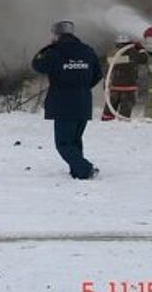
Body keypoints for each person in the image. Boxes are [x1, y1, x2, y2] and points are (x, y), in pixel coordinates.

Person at [32, 20, 102, 179]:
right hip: (83, 103)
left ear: (56, 35)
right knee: (75, 140)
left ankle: (84, 169)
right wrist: (82, 87)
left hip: (63, 104)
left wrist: (47, 47)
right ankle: (77, 171)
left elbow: (37, 65)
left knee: (63, 143)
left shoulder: (54, 52)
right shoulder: (87, 51)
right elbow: (98, 74)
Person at [101, 34, 146, 120]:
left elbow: (107, 70)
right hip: (128, 89)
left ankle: (105, 124)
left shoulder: (112, 53)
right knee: (124, 115)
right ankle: (122, 127)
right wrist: (140, 48)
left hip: (114, 87)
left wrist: (106, 85)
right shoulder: (132, 52)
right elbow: (144, 59)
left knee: (109, 112)